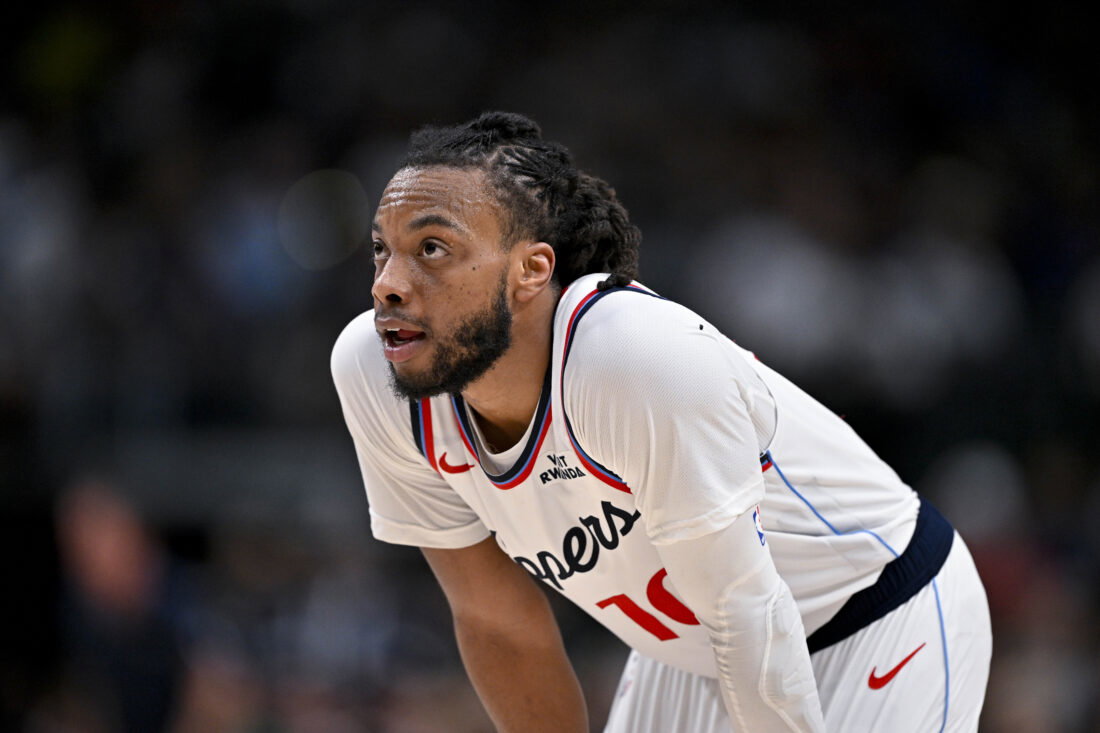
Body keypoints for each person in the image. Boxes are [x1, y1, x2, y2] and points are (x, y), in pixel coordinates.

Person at [331, 111, 992, 732]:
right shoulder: (377, 371)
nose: (388, 282)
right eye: (381, 251)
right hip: (698, 650)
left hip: (877, 615)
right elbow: (497, 619)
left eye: (433, 249)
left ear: (531, 270)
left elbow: (749, 611)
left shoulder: (631, 356)